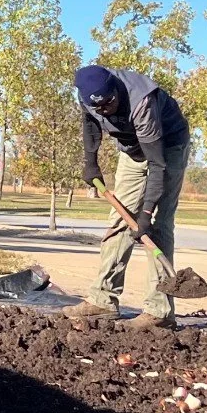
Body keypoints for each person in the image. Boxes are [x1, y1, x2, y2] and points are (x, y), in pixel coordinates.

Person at [63, 64, 191, 328]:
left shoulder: (142, 102)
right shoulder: (88, 97)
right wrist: (91, 162)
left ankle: (159, 312)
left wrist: (146, 213)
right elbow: (90, 124)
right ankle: (102, 300)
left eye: (109, 102)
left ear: (115, 88)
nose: (105, 110)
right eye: (98, 106)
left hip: (168, 147)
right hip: (132, 149)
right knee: (119, 220)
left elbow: (157, 165)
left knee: (159, 225)